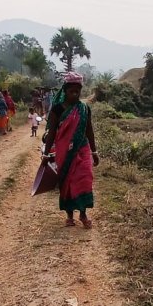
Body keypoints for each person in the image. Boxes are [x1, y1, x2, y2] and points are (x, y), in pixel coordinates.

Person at [43, 72, 98, 228]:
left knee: (85, 180)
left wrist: (94, 152)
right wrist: (46, 154)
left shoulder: (84, 108)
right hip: (64, 152)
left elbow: (89, 130)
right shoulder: (57, 110)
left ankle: (83, 214)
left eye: (78, 91)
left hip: (83, 149)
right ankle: (69, 216)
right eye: (71, 91)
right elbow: (52, 133)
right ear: (65, 91)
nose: (75, 94)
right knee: (67, 182)